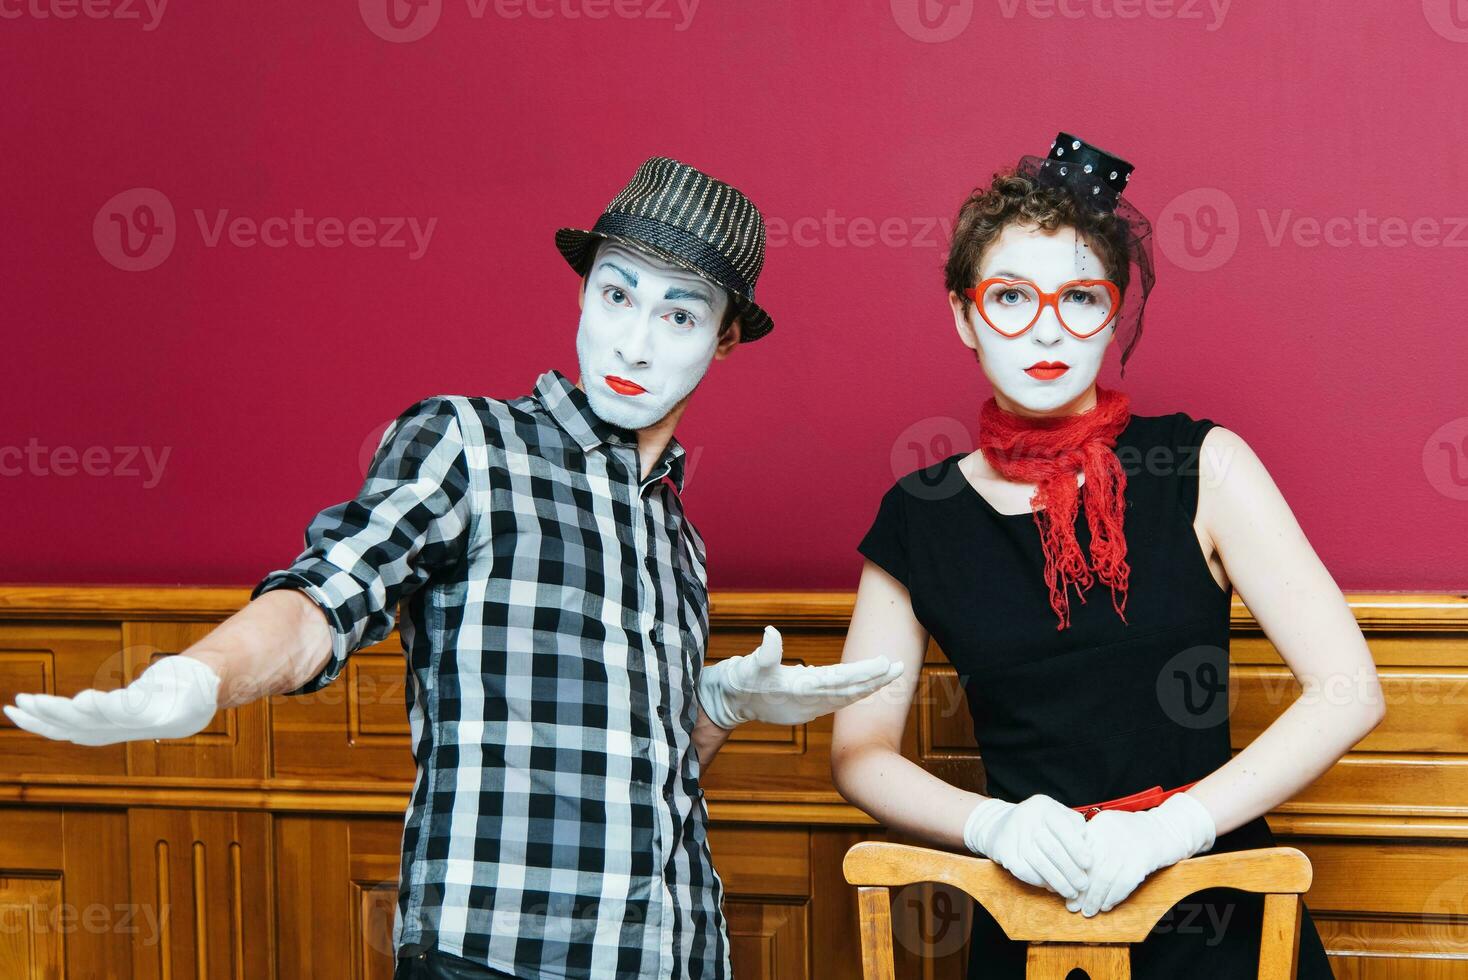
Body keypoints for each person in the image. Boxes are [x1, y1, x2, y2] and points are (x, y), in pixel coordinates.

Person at [3, 156, 903, 980]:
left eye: (680, 315)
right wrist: (200, 677)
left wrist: (715, 709)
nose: (635, 343)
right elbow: (326, 596)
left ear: (726, 339)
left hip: (675, 952)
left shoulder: (681, 540)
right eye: (616, 295)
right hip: (493, 955)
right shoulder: (469, 445)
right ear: (583, 293)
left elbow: (645, 775)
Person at [828, 132, 1380, 978]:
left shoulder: (1205, 464)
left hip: (1218, 914)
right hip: (1029, 910)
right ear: (963, 314)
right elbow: (859, 751)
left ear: (1113, 312)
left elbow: (1350, 692)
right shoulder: (919, 513)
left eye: (1080, 298)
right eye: (1011, 297)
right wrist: (993, 826)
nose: (1047, 328)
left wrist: (1175, 827)